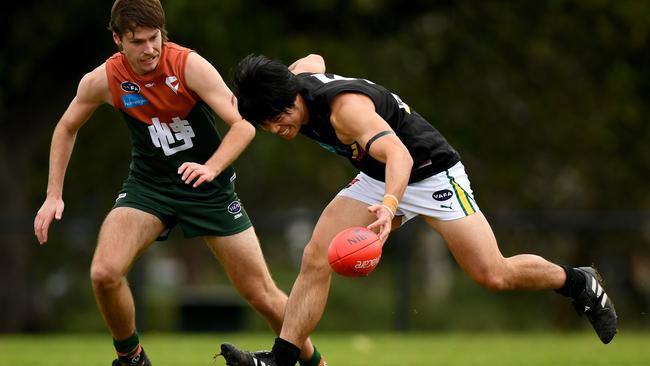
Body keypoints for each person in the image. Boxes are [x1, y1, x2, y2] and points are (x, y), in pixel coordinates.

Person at [217, 53, 618, 366]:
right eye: (266, 125)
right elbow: (314, 60)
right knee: (315, 256)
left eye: (280, 118)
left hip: (429, 171)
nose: (278, 129)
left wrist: (389, 208)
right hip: (376, 175)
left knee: (492, 273)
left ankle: (579, 283)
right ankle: (282, 359)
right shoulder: (293, 86)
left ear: (293, 97)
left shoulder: (345, 111)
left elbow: (399, 155)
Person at [32, 2, 326, 366]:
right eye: (137, 41)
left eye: (154, 38)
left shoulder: (188, 66)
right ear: (117, 39)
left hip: (210, 190)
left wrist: (211, 167)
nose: (149, 49)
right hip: (149, 188)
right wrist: (53, 194)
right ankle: (132, 358)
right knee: (104, 273)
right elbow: (66, 127)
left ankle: (316, 364)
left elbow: (243, 125)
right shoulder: (104, 80)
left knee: (262, 294)